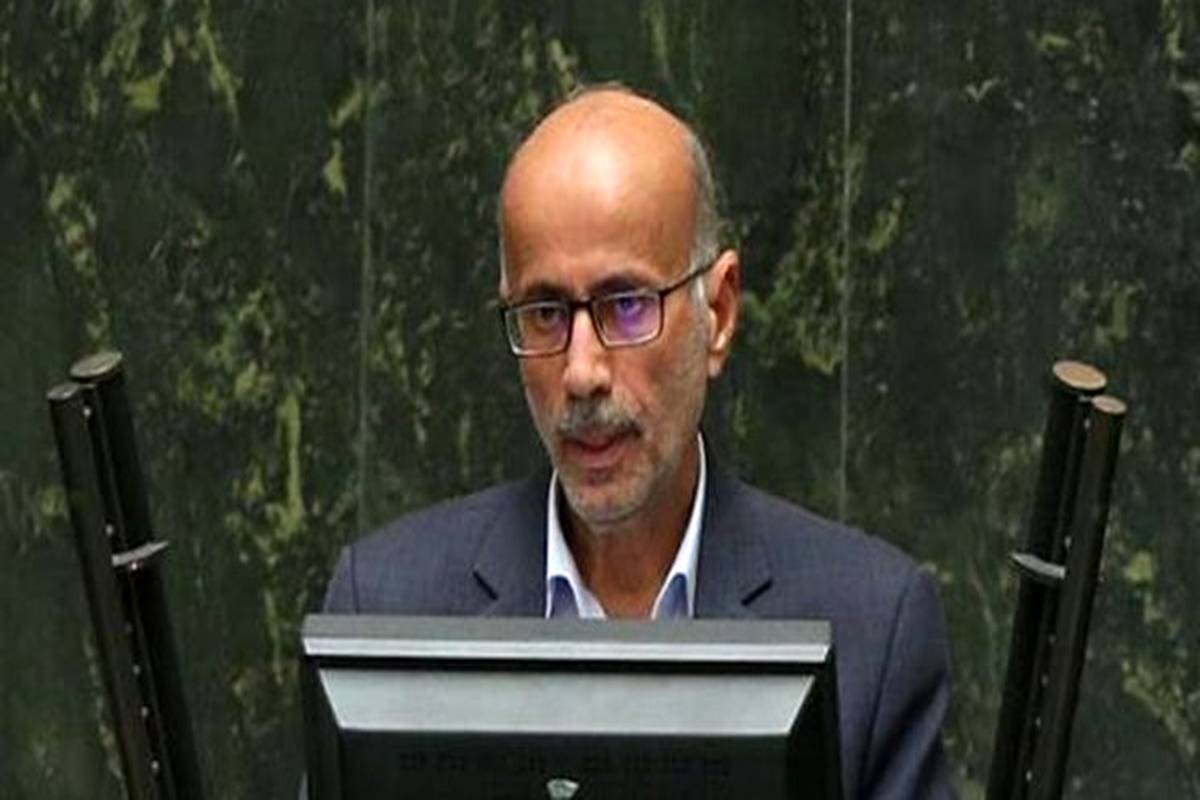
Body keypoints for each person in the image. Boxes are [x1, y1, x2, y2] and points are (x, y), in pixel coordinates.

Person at [324, 85, 953, 798]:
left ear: (718, 313)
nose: (582, 372)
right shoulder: (386, 609)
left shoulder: (867, 629)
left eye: (626, 306)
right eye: (544, 312)